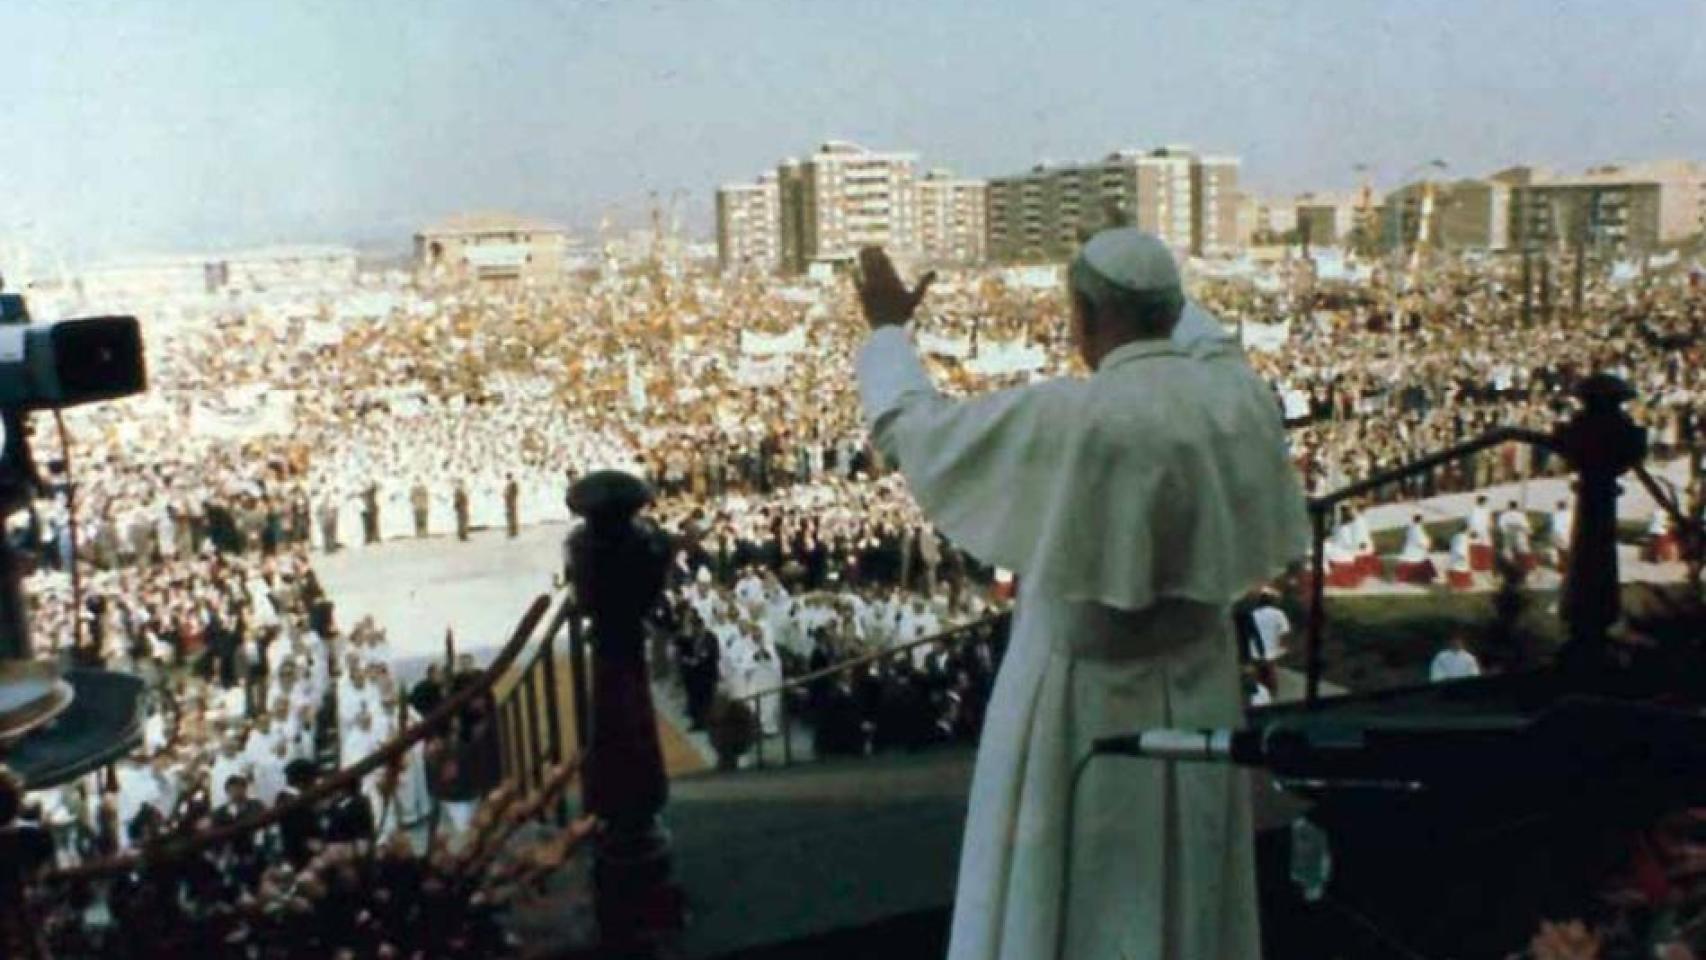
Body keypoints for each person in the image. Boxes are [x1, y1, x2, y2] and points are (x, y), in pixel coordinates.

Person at [853, 232, 1306, 960]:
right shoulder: (1240, 397)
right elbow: (1211, 342)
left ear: (1085, 316)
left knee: (1067, 909)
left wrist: (885, 333)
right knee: (1188, 897)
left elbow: (916, 429)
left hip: (1075, 710)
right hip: (1201, 691)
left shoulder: (1068, 417)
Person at [503, 473, 520, 539]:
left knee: (513, 517)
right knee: (509, 517)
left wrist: (513, 498)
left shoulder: (513, 483)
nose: (507, 478)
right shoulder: (507, 484)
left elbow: (516, 492)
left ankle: (514, 531)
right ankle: (511, 531)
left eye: (508, 477)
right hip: (508, 502)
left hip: (512, 502)